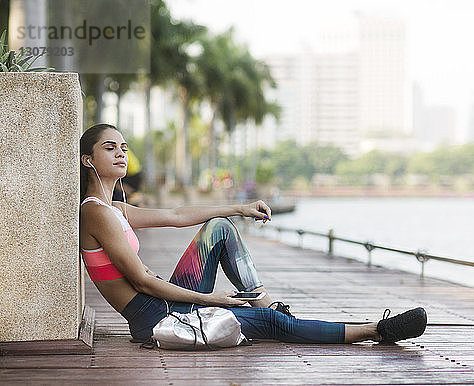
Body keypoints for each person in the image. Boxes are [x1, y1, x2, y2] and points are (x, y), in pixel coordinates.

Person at [79, 123, 427, 345]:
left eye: (123, 147)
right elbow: (140, 281)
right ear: (87, 160)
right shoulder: (95, 211)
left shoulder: (115, 209)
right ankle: (374, 331)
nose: (121, 153)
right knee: (271, 324)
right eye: (110, 148)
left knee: (218, 229)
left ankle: (265, 302)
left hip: (166, 301)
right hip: (155, 318)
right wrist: (212, 299)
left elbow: (176, 215)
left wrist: (237, 208)